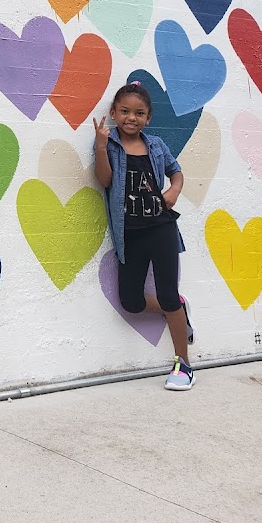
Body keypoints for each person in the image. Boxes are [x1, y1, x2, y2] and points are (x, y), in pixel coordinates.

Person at [93, 81, 195, 391]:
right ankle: (177, 309)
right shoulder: (110, 145)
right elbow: (105, 180)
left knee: (166, 293)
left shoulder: (156, 145)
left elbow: (176, 171)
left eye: (139, 113)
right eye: (125, 111)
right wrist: (100, 146)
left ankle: (184, 365)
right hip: (131, 235)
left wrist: (174, 189)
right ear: (114, 113)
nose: (131, 117)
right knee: (131, 301)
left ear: (147, 118)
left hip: (161, 228)